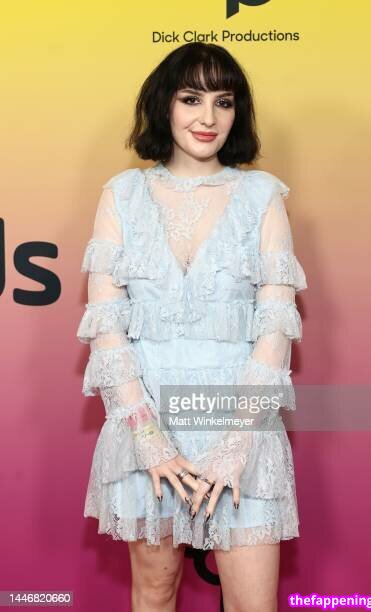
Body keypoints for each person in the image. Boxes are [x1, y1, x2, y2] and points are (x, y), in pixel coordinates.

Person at [77, 42, 307, 612]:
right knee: (154, 592)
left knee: (253, 603)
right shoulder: (122, 194)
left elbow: (275, 327)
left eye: (224, 102)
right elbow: (107, 326)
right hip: (147, 422)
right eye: (191, 99)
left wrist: (237, 443)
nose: (208, 117)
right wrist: (148, 440)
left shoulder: (262, 195)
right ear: (165, 105)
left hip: (240, 425)